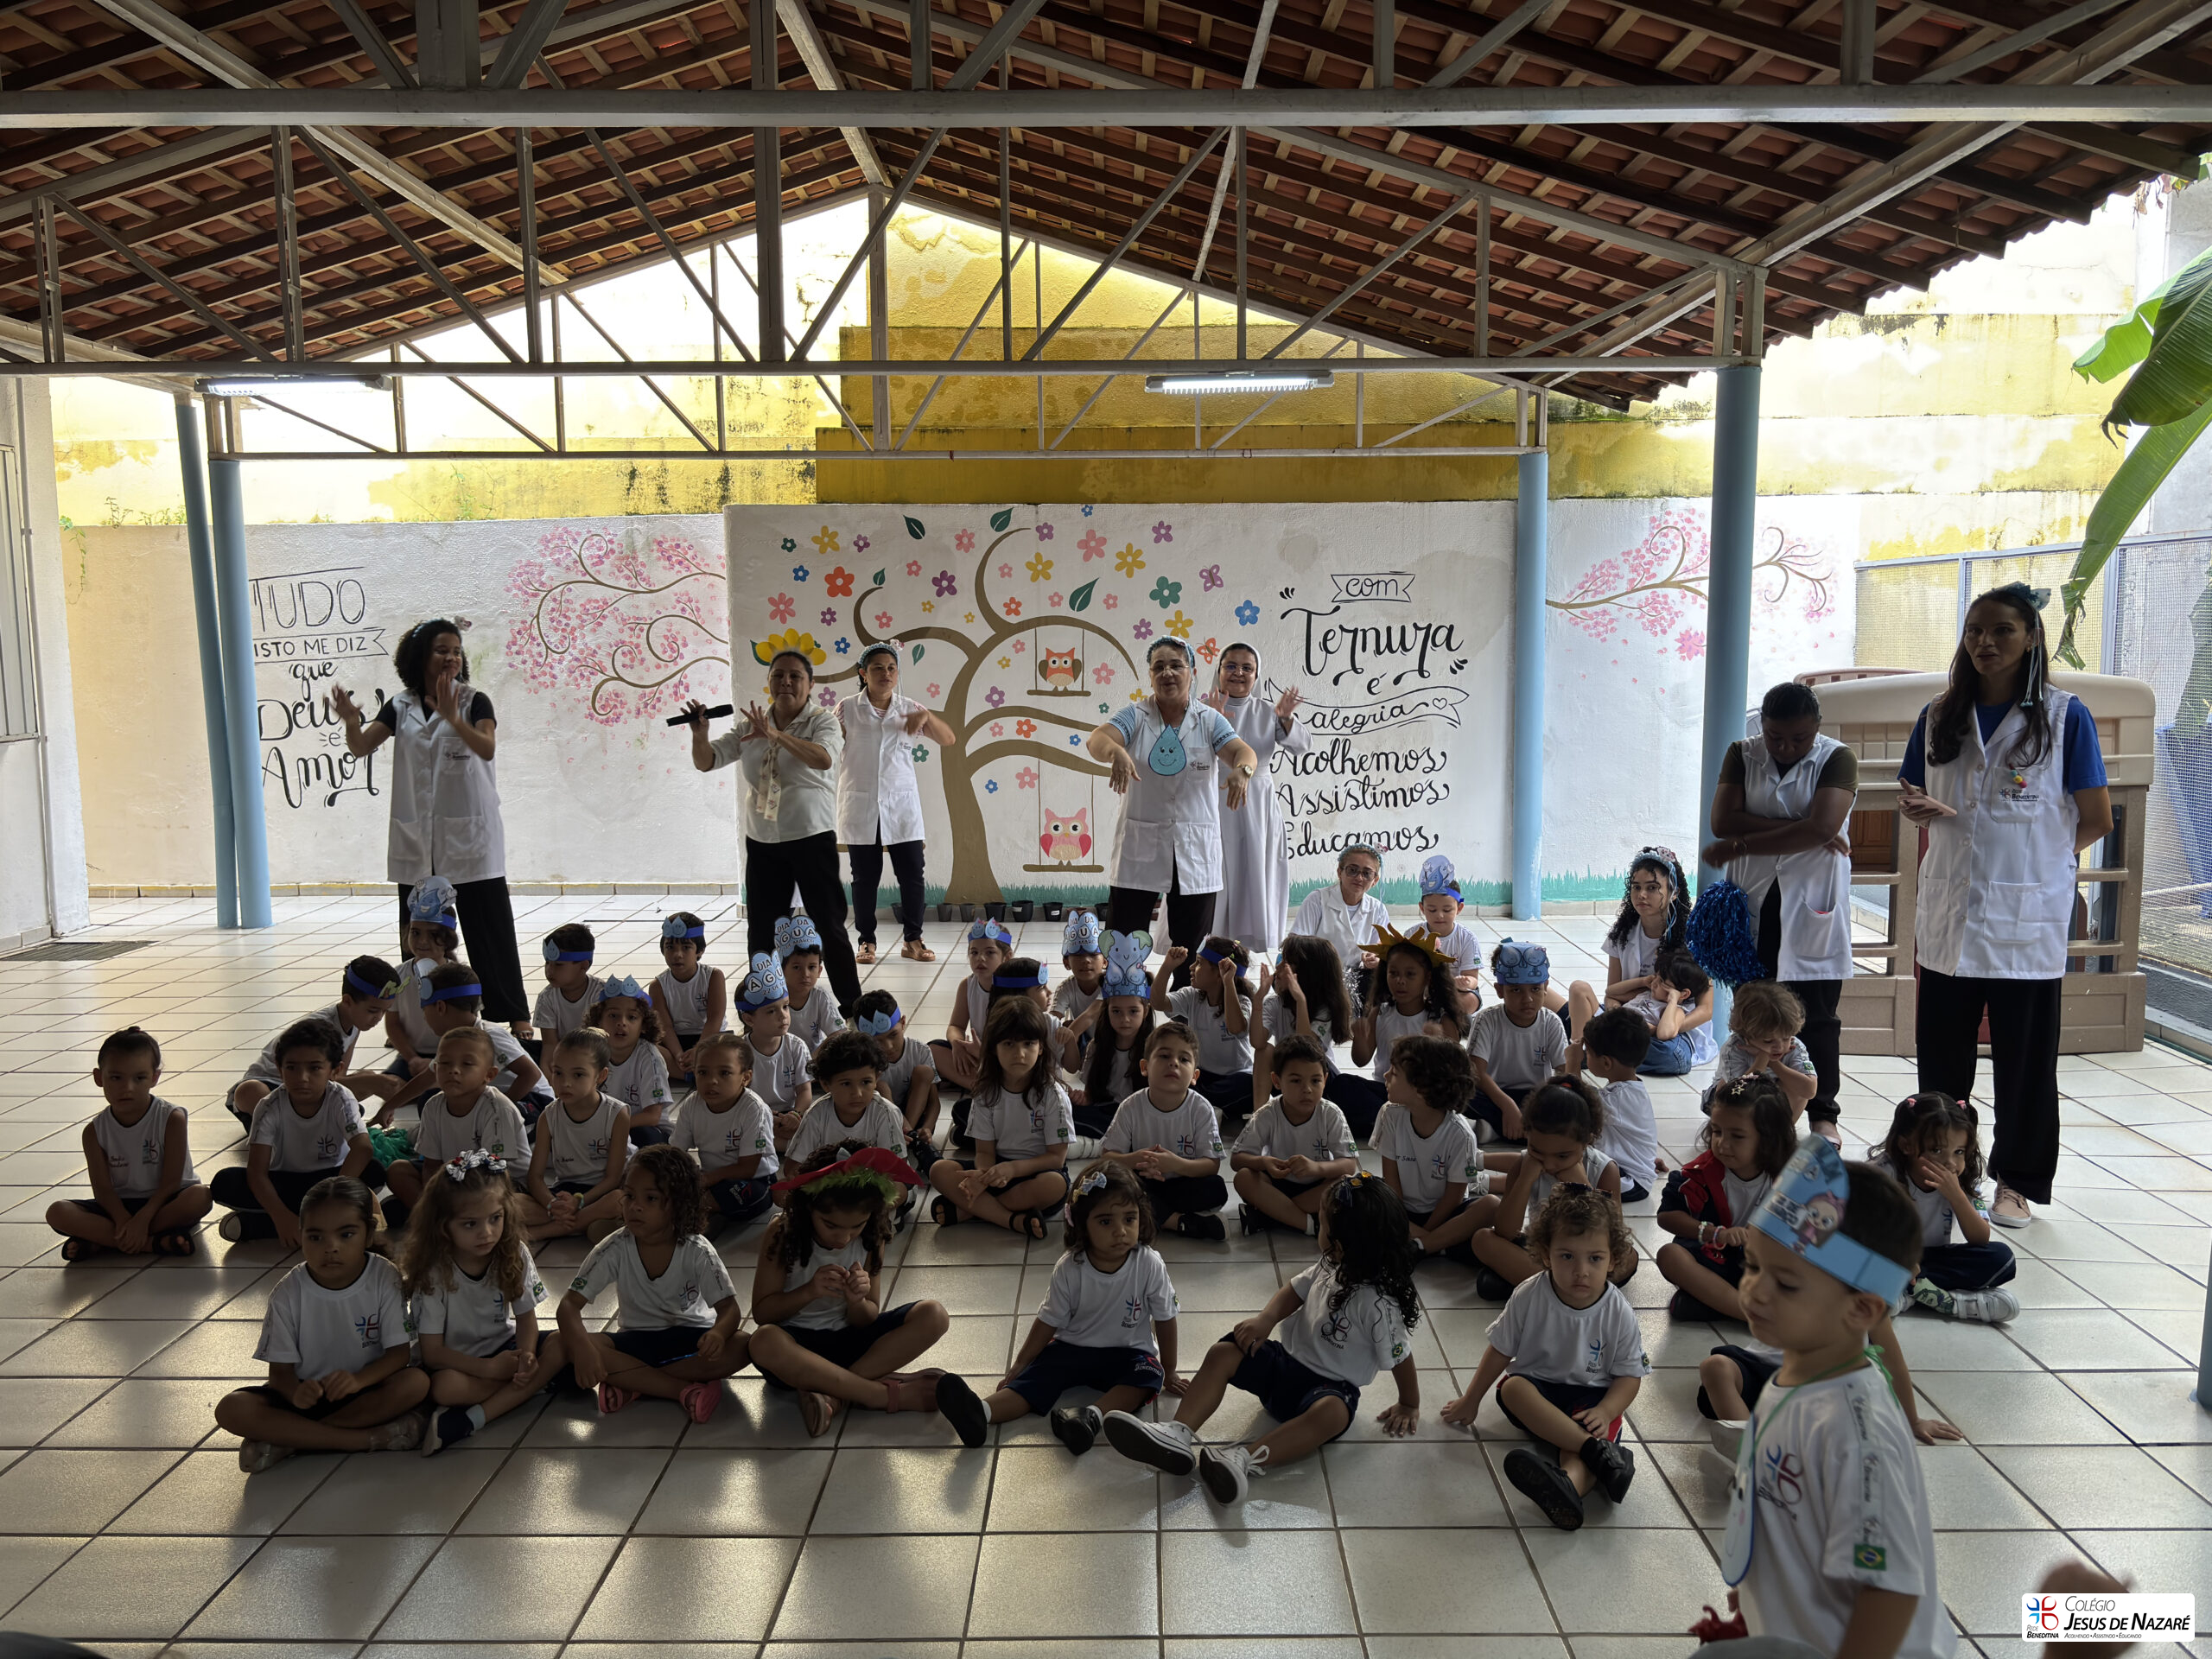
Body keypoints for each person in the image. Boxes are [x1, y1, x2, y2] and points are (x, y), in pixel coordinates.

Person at [1900, 581, 2113, 1229]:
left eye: (2002, 631)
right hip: (1950, 913)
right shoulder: (1939, 714)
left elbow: (2096, 817)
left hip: (2027, 919)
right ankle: (1940, 1173)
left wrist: (2040, 863)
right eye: (1975, 631)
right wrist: (1919, 808)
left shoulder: (2064, 715)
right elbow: (1912, 788)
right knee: (1943, 1062)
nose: (1985, 643)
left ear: (2031, 638)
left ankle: (2016, 1182)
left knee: (2025, 1065)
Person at [1710, 1141, 1951, 1659]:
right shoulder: (1796, 1378)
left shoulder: (1856, 1434)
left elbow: (1890, 1590)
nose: (1755, 1291)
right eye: (1753, 1266)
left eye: (1786, 1284)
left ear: (1861, 1310)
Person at [1102, 1172, 1421, 1505]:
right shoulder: (1330, 1265)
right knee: (1223, 1353)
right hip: (1285, 1366)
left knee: (1334, 1415)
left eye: (1321, 1223)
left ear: (1339, 1245)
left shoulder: (1380, 1305)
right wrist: (1265, 1320)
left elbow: (1401, 1356)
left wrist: (1409, 1403)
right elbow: (1294, 1291)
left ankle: (1243, 1460)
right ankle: (1178, 1433)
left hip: (1328, 1391)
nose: (1319, 1229)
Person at [331, 618, 529, 1029]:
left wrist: (454, 719)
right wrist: (350, 720)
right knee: (419, 936)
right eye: (442, 650)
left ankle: (510, 1014)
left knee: (490, 933)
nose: (451, 658)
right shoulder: (400, 706)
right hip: (417, 840)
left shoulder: (475, 702)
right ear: (420, 658)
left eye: (456, 651)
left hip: (470, 840)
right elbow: (362, 746)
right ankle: (418, 1017)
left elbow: (486, 747)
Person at [1702, 681, 1859, 1136]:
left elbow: (1823, 828)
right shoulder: (1742, 753)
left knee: (1818, 1016)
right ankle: (1742, 1109)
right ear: (1763, 727)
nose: (1786, 748)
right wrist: (1805, 827)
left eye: (1799, 739)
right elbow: (1722, 821)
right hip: (1754, 899)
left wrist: (1744, 842)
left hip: (1813, 901)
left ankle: (1823, 1115)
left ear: (1817, 729)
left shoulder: (1837, 758)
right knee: (1754, 1012)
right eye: (1775, 737)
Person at [1441, 1185, 1648, 1531]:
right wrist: (1470, 1400)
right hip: (1540, 1391)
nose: (1581, 1270)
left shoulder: (1618, 1311)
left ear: (1613, 1259)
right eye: (1567, 1256)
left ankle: (1568, 1487)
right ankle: (1601, 1455)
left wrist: (1606, 1410)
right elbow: (1501, 1350)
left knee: (1578, 1447)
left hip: (1592, 1397)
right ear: (1545, 1253)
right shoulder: (1529, 1295)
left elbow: (1630, 1376)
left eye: (1595, 1259)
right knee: (1512, 1388)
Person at [685, 650, 863, 1013]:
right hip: (763, 839)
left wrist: (776, 736)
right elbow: (707, 761)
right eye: (778, 675)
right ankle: (763, 1005)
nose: (786, 682)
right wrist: (700, 735)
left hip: (811, 836)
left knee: (829, 926)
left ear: (810, 684)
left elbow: (823, 758)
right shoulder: (750, 724)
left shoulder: (822, 722)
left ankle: (853, 1009)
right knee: (763, 929)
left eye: (795, 676)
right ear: (769, 682)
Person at [748, 1148, 969, 1441]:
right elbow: (763, 1313)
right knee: (763, 1341)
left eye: (857, 1226)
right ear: (808, 1208)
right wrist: (809, 1291)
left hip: (852, 1341)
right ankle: (882, 1395)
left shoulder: (872, 1234)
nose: (844, 1238)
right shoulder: (783, 1232)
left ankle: (835, 1395)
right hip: (798, 1349)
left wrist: (857, 1302)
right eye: (830, 1225)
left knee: (934, 1315)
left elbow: (868, 1317)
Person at [215, 1176, 429, 1470]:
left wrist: (358, 1380)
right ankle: (362, 1439)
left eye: (346, 1235)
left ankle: (290, 1442)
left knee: (415, 1383)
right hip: (305, 1398)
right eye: (316, 1238)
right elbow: (280, 1374)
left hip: (364, 1391)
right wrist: (296, 1393)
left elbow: (399, 1355)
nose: (331, 1247)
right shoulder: (288, 1292)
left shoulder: (384, 1277)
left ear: (368, 1235)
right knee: (231, 1408)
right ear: (301, 1236)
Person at [970, 1164, 1184, 1453]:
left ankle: (1089, 1416)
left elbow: (1165, 1318)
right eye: (1106, 1222)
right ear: (1082, 1225)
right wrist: (1021, 1363)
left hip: (1128, 1353)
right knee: (1036, 1375)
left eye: (1129, 1218)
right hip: (1071, 1349)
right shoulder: (1070, 1267)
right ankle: (981, 1412)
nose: (1121, 1231)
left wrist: (1170, 1370)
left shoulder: (1149, 1263)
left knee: (1149, 1374)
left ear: (1141, 1217)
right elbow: (1048, 1320)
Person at [1086, 637, 1260, 959]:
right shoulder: (1136, 716)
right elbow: (1097, 740)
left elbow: (1243, 752)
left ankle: (1186, 994)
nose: (1167, 673)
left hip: (1195, 847)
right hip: (1140, 843)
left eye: (1176, 665)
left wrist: (1243, 772)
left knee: (1190, 949)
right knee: (1124, 941)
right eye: (1159, 667)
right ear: (1150, 676)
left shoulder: (1208, 720)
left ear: (1192, 672)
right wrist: (1115, 752)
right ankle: (1124, 991)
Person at [557, 1145, 749, 1421]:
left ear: (679, 1204)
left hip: (692, 1339)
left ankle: (636, 1384)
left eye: (650, 1198)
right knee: (569, 1343)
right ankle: (679, 1389)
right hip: (637, 1341)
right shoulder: (614, 1247)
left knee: (742, 1344)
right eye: (629, 1196)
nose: (635, 1206)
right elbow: (568, 1306)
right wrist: (583, 1349)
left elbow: (730, 1310)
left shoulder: (697, 1250)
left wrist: (718, 1334)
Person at [401, 1151, 563, 1455]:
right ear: (443, 1226)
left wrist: (527, 1356)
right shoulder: (434, 1272)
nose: (486, 1232)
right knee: (444, 1388)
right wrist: (489, 1369)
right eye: (470, 1224)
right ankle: (534, 1387)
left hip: (505, 1349)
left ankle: (472, 1418)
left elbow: (526, 1319)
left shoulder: (514, 1252)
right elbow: (433, 1353)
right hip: (458, 1363)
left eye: (495, 1219)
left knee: (564, 1343)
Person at [213, 1020, 383, 1246]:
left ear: (335, 1070)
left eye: (314, 1068)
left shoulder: (341, 1098)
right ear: (279, 1068)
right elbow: (257, 1172)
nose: (302, 1078)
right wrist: (281, 1216)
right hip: (286, 1181)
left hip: (333, 1179)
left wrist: (331, 1198)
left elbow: (362, 1148)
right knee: (224, 1183)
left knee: (374, 1172)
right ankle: (315, 1223)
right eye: (292, 1068)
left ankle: (262, 1226)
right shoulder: (269, 1106)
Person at [837, 639, 955, 963]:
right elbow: (829, 745)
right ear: (863, 673)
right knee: (865, 877)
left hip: (901, 806)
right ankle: (866, 941)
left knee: (912, 874)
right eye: (878, 668)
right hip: (861, 804)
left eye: (891, 668)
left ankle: (913, 940)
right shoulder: (847, 708)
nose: (886, 674)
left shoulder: (910, 708)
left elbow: (948, 739)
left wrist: (927, 717)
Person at [48, 1027, 211, 1261]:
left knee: (201, 1197)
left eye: (139, 1078)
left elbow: (171, 1182)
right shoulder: (94, 1132)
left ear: (154, 1078)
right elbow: (103, 1191)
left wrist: (143, 1219)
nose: (128, 1088)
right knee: (57, 1212)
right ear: (99, 1078)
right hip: (119, 1207)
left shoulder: (171, 1118)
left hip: (165, 1203)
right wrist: (124, 1219)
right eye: (116, 1078)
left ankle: (106, 1241)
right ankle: (152, 1243)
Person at [1466, 1077, 1633, 1300]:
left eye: (1563, 1156)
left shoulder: (1604, 1170)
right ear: (1527, 1135)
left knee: (1630, 1257)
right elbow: (1505, 1231)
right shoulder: (1524, 1165)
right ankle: (1566, 1290)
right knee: (1482, 1239)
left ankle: (1538, 1287)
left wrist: (1582, 1187)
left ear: (1587, 1141)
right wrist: (1525, 1179)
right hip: (1543, 1252)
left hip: (1586, 1260)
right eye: (1537, 1151)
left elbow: (1612, 1236)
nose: (1549, 1164)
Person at [929, 998, 1076, 1236]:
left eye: (1029, 1043)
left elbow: (1056, 1158)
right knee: (939, 1170)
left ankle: (971, 1210)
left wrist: (1012, 1170)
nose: (1020, 1053)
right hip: (995, 1170)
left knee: (1054, 1185)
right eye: (1009, 1044)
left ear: (1041, 1048)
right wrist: (985, 1176)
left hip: (1036, 1172)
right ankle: (1011, 1220)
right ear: (993, 1049)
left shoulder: (1053, 1094)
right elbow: (984, 1152)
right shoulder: (986, 1092)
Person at [1656, 1073, 1796, 1320]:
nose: (1722, 1143)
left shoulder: (1791, 1178)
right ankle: (1750, 1314)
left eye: (1737, 1136)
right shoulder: (1699, 1174)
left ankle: (1718, 1305)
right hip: (1713, 1260)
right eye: (1717, 1131)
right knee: (1670, 1255)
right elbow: (1667, 1216)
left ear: (1770, 1138)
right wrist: (1714, 1233)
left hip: (1765, 1267)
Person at [1872, 1091, 2020, 1323]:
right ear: (1906, 1145)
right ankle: (1947, 1300)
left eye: (1959, 1152)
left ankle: (1910, 1293)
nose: (1950, 1163)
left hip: (1931, 1259)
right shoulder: (1882, 1174)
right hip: (1889, 1256)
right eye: (1936, 1151)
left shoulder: (1962, 1179)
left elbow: (1980, 1238)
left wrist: (1957, 1196)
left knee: (2002, 1258)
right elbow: (1858, 1233)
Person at [1203, 642, 1310, 952]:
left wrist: (1286, 718)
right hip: (1212, 798)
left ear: (1256, 674)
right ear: (1219, 671)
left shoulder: (1267, 711)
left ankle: (1246, 947)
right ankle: (1207, 945)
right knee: (1215, 868)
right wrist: (1208, 720)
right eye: (1231, 666)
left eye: (1246, 668)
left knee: (1253, 869)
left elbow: (1302, 746)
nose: (1238, 673)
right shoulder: (1201, 708)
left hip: (1257, 804)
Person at [226, 957, 398, 1128]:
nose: (378, 1018)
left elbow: (336, 1077)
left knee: (366, 1078)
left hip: (309, 1090)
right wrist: (371, 1083)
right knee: (250, 1090)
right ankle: (293, 1125)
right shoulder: (319, 1027)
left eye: (384, 1011)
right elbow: (312, 1077)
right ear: (347, 1001)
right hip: (275, 1086)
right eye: (373, 1011)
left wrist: (372, 1083)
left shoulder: (354, 1025)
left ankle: (300, 1124)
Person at [1094, 1020, 1228, 1239]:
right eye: (1164, 1056)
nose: (1173, 1063)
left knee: (1216, 1188)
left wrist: (1175, 1164)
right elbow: (1108, 1157)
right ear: (1145, 1067)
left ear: (1194, 1077)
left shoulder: (1201, 1109)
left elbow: (1211, 1165)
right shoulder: (1131, 1106)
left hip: (1183, 1182)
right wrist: (1137, 1159)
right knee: (1110, 1184)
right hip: (1144, 1182)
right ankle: (1178, 1222)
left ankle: (1150, 1216)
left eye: (1183, 1059)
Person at [384, 1027, 529, 1228]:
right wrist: (434, 1195)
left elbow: (494, 1173)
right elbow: (431, 1165)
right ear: (435, 1068)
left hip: (501, 1181)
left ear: (489, 1074)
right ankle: (439, 1218)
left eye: (467, 1064)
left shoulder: (497, 1108)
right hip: (455, 1176)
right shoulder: (433, 1106)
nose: (454, 1070)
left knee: (510, 1203)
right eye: (445, 1063)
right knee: (397, 1171)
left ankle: (434, 1217)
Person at [1370, 1034, 1493, 1261]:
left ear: (1421, 1089)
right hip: (1401, 1212)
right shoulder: (1390, 1114)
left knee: (1491, 1206)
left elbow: (1454, 1198)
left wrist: (1427, 1233)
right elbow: (1391, 1181)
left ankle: (1420, 1245)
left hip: (1444, 1215)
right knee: (1359, 1194)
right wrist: (1405, 1224)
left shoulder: (1461, 1134)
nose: (1385, 1076)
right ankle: (1439, 1246)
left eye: (1394, 1073)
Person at [1338, 929, 1465, 1135]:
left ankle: (1392, 1122)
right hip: (1387, 1093)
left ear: (1427, 978)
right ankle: (1400, 1121)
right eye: (1394, 973)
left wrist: (1437, 1046)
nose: (1400, 981)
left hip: (1424, 1096)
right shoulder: (1380, 1013)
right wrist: (1360, 1039)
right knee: (1343, 1084)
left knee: (1467, 1099)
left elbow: (1457, 1070)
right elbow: (1361, 1060)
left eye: (1410, 974)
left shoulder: (1440, 1019)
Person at [1231, 1034, 1358, 1235]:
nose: (1307, 1089)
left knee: (1347, 1183)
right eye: (1296, 1081)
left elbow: (1349, 1165)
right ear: (1277, 1081)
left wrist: (1316, 1168)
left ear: (1325, 1080)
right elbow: (1237, 1160)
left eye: (1315, 1081)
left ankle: (1274, 1215)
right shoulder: (1267, 1113)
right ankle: (1310, 1225)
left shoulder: (1331, 1113)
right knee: (1244, 1178)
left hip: (1316, 1185)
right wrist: (1264, 1163)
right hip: (1278, 1185)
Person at [520, 1027, 631, 1244]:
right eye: (558, 1073)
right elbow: (535, 1178)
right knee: (511, 1203)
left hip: (602, 1191)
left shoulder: (617, 1114)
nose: (565, 1083)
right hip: (566, 1191)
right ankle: (579, 1223)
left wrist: (579, 1202)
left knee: (619, 1200)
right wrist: (553, 1204)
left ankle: (543, 1231)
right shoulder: (548, 1116)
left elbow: (613, 1178)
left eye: (578, 1075)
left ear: (600, 1076)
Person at [669, 1030, 779, 1231]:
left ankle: (698, 1215)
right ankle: (707, 1214)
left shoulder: (753, 1109)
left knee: (744, 1194)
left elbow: (748, 1168)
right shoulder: (692, 1104)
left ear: (745, 1077)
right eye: (703, 1072)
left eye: (724, 1073)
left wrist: (705, 1180)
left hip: (753, 1179)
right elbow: (675, 1152)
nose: (712, 1081)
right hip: (711, 1177)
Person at [1570, 845, 1692, 1026]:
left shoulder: (1691, 939)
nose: (1641, 895)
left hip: (1668, 1024)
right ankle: (1579, 1044)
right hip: (1628, 1016)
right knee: (1578, 990)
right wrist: (1617, 1014)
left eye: (1652, 887)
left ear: (1674, 893)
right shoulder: (1621, 933)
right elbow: (1611, 993)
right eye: (1636, 887)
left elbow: (1700, 1006)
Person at [1467, 939, 1567, 1142]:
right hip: (1494, 1094)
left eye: (1535, 989)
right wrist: (1508, 1106)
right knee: (1457, 1089)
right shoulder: (1487, 1020)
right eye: (1516, 990)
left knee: (1575, 1098)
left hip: (1536, 1097)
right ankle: (1527, 1131)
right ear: (1499, 990)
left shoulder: (1551, 1022)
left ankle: (1495, 1130)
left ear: (1546, 987)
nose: (1527, 999)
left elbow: (1564, 1071)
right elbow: (1476, 1073)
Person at [1152, 938, 1254, 1119]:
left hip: (1235, 1076)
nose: (1191, 967)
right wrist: (1168, 966)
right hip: (1200, 1074)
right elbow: (1157, 1002)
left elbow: (1236, 1028)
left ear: (1219, 973)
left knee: (1249, 1085)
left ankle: (1201, 1107)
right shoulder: (1192, 996)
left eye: (1199, 963)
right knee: (1170, 1078)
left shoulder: (1242, 1001)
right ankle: (1210, 1109)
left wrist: (1228, 982)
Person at [1705, 980, 1821, 1131]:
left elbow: (1810, 1090)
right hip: (1731, 1102)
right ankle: (1737, 1132)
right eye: (1768, 1041)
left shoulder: (1794, 1046)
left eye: (1786, 1038)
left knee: (1797, 1084)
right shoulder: (1735, 1048)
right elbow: (1737, 1095)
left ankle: (1779, 1134)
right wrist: (1761, 1060)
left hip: (1769, 1101)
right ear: (1747, 1036)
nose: (1780, 1047)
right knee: (1725, 1086)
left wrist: (1773, 1063)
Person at [785, 1031, 911, 1170]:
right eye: (846, 1084)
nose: (857, 1093)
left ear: (876, 1079)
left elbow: (897, 1167)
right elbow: (792, 1167)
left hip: (878, 1179)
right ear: (826, 1084)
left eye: (866, 1082)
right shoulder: (816, 1114)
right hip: (830, 1180)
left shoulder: (886, 1113)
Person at [1573, 1007, 1660, 1203]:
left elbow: (1574, 1105)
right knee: (1558, 1156)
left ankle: (1502, 1182)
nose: (1585, 1056)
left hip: (1629, 1182)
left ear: (1606, 1063)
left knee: (1561, 1160)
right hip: (1628, 1174)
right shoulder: (1627, 1090)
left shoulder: (1619, 1098)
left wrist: (1572, 1063)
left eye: (1588, 1053)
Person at [1077, 934, 1158, 1135]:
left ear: (1145, 1012)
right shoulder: (1096, 1046)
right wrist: (1080, 1100)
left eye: (1133, 1011)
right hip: (1105, 1112)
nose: (1125, 1019)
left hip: (1140, 1114)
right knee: (1065, 1113)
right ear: (1107, 1012)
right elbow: (1090, 1093)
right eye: (1116, 1011)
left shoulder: (1156, 1050)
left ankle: (1112, 1141)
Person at [851, 991, 939, 1171]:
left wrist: (928, 1128)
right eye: (878, 1041)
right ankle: (908, 1138)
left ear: (903, 1022)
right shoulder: (863, 1059)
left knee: (924, 1072)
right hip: (879, 1121)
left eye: (893, 1035)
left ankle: (909, 1135)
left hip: (914, 1117)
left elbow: (934, 1102)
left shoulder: (920, 1051)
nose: (888, 1047)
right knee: (880, 1086)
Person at [734, 954, 811, 1149]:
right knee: (739, 1129)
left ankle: (778, 1145)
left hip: (789, 1114)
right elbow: (736, 1096)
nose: (783, 1016)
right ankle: (787, 1147)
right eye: (771, 1011)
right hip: (753, 1112)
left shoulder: (796, 1046)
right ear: (749, 1019)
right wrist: (768, 1115)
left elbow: (805, 1091)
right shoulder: (739, 1052)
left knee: (815, 1125)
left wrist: (796, 1114)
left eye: (785, 1007)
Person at [1290, 846, 1389, 994]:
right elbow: (1296, 944)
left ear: (1375, 880)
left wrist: (1374, 958)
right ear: (1339, 872)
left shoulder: (1378, 909)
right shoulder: (1317, 900)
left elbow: (1381, 948)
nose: (1359, 878)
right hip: (1318, 976)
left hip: (1357, 978)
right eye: (1352, 870)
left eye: (1367, 873)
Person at [931, 918, 1011, 1096]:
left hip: (1008, 1055)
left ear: (1007, 957)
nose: (980, 958)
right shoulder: (967, 985)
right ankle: (989, 1086)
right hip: (977, 1055)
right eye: (974, 952)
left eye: (989, 952)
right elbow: (956, 1026)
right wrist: (957, 1044)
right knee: (933, 1050)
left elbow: (1021, 1041)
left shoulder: (1014, 989)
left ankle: (991, 1087)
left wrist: (985, 1053)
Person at [594, 976, 676, 1145]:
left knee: (641, 1136)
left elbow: (652, 1116)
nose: (621, 1023)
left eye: (631, 1017)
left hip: (647, 1129)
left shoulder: (650, 1058)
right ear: (599, 1021)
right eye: (613, 1015)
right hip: (605, 1126)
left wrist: (612, 1126)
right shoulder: (592, 1051)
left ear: (644, 1025)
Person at [650, 912, 725, 1084]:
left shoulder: (713, 976)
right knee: (648, 1049)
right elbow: (665, 1026)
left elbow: (715, 1019)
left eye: (686, 947)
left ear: (699, 950)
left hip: (710, 1037)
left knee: (730, 1050)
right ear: (662, 950)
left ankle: (695, 1070)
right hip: (675, 1041)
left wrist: (699, 1049)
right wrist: (678, 1055)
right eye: (670, 947)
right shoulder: (657, 986)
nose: (677, 954)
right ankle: (689, 1074)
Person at [1411, 855, 1485, 1014]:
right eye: (1432, 910)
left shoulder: (1467, 938)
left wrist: (1465, 983)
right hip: (1422, 990)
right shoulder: (1413, 935)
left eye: (1447, 910)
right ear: (1422, 908)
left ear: (1459, 908)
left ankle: (1446, 1017)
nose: (1439, 915)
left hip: (1455, 991)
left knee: (1470, 1000)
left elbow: (1473, 978)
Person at [776, 916, 845, 1053]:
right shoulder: (774, 998)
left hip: (814, 1058)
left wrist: (814, 1057)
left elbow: (839, 1033)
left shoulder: (820, 996)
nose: (805, 974)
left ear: (819, 971)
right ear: (781, 970)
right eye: (796, 967)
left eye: (812, 967)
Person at [532, 925, 603, 1052]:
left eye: (559, 965)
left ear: (583, 965)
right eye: (547, 963)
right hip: (563, 1056)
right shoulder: (547, 998)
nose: (549, 970)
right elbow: (550, 1046)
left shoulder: (602, 995)